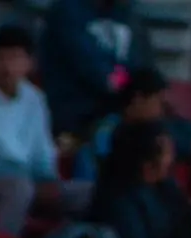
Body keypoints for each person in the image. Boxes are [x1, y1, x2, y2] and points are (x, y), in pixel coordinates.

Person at [0, 24, 92, 238]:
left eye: (15, 58)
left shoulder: (35, 99)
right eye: (0, 58)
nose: (7, 67)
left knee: (87, 192)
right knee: (18, 189)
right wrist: (28, 180)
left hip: (31, 181)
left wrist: (48, 182)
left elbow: (43, 155)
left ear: (30, 63)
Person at [74, 66, 191, 206]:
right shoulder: (106, 133)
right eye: (157, 101)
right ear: (138, 99)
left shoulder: (156, 128)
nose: (160, 110)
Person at [38, 0, 155, 140]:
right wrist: (129, 82)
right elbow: (99, 74)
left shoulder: (126, 14)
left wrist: (134, 85)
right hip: (78, 117)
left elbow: (143, 68)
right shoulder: (68, 12)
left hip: (119, 110)